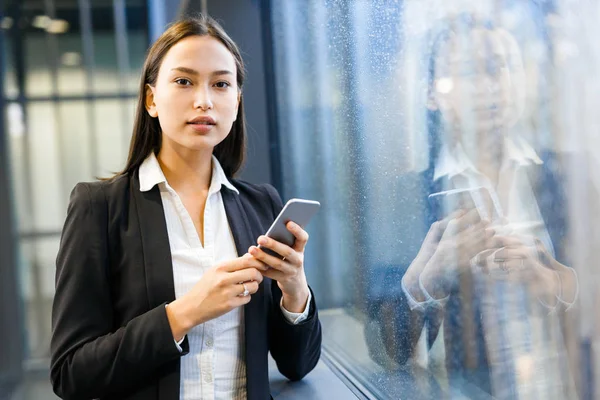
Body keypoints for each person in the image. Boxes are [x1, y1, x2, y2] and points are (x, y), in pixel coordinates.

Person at [50, 15, 321, 400]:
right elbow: (71, 373)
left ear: (236, 101)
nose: (204, 100)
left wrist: (294, 290)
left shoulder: (262, 205)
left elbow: (298, 364)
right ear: (151, 99)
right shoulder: (100, 208)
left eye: (221, 84)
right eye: (183, 81)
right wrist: (185, 312)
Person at [366, 14, 578, 399]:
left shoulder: (570, 177)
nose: (487, 87)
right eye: (466, 72)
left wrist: (553, 282)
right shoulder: (406, 197)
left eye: (498, 68)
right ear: (432, 94)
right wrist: (428, 281)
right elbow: (382, 350)